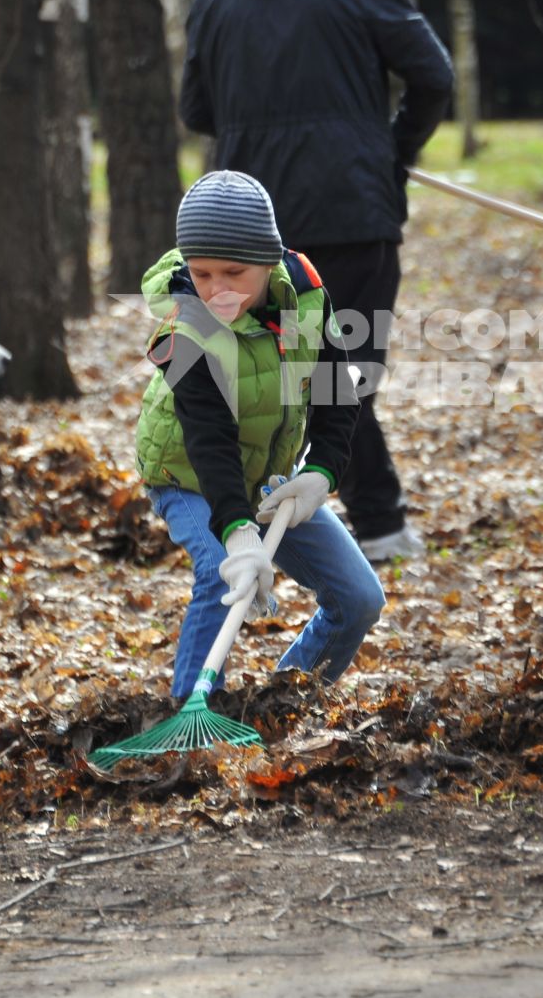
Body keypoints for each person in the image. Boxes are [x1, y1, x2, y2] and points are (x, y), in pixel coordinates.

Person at [179, 0, 455, 564]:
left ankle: (322, 522)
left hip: (247, 238)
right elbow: (433, 75)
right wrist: (393, 151)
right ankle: (377, 526)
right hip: (352, 218)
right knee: (345, 374)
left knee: (293, 380)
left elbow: (196, 109)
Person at [135, 170, 384, 702]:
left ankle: (282, 704)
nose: (217, 290)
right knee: (224, 575)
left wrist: (320, 474)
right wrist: (237, 531)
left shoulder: (307, 298)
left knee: (359, 598)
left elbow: (338, 389)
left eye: (234, 272)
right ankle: (192, 717)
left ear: (271, 261)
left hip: (270, 472)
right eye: (201, 273)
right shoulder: (188, 329)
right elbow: (209, 441)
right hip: (188, 474)